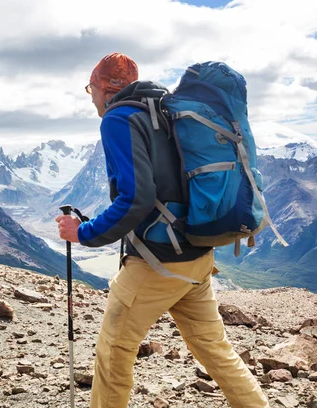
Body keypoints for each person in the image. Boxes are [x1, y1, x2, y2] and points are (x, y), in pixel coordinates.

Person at [55, 53, 270, 408]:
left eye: (91, 88)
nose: (91, 96)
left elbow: (137, 198)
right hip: (198, 254)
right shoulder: (166, 109)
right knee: (214, 347)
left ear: (105, 87)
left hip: (158, 264)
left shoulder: (118, 119)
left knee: (113, 350)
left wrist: (84, 232)